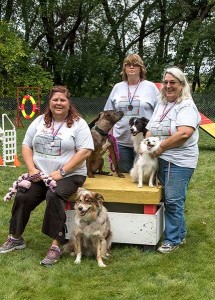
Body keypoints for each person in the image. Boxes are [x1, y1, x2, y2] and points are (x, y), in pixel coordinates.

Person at [0, 85, 94, 266]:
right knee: (22, 195)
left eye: (63, 100)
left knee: (54, 194)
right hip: (40, 174)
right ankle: (16, 237)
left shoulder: (79, 123)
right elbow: (26, 145)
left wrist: (62, 172)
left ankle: (55, 245)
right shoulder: (39, 121)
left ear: (69, 102)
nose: (59, 103)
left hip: (69, 175)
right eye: (55, 100)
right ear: (49, 102)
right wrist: (31, 169)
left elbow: (85, 152)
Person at [146, 66, 201, 253]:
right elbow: (150, 127)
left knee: (173, 200)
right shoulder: (162, 103)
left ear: (182, 85)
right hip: (160, 157)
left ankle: (173, 240)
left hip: (179, 161)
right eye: (166, 82)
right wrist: (147, 143)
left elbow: (184, 133)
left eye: (173, 83)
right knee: (168, 199)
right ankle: (180, 233)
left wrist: (160, 147)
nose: (168, 86)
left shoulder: (186, 106)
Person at [104, 53, 159, 172]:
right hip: (121, 141)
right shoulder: (117, 87)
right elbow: (108, 114)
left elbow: (159, 113)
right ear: (124, 68)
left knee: (143, 176)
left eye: (135, 64)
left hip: (145, 142)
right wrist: (108, 138)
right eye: (128, 65)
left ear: (141, 68)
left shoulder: (151, 87)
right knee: (123, 178)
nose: (131, 67)